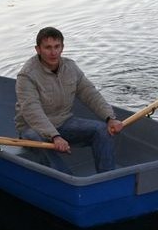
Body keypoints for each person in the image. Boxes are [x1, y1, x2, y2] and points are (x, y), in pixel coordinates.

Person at [15, 27, 124, 173]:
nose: (53, 52)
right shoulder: (27, 76)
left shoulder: (70, 67)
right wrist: (55, 136)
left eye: (57, 47)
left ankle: (106, 178)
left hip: (63, 122)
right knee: (37, 140)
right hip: (33, 128)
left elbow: (90, 93)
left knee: (102, 130)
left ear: (62, 47)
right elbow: (32, 111)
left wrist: (110, 117)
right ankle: (66, 180)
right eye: (47, 48)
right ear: (38, 49)